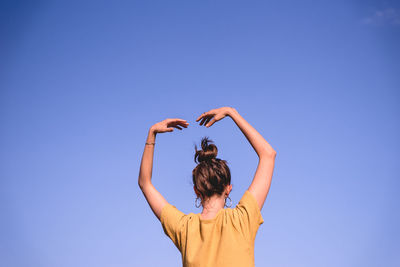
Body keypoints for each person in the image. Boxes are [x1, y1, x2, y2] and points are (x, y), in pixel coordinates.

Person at [138, 106, 277, 267]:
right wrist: (231, 112)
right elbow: (268, 154)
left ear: (196, 190)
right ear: (228, 188)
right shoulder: (242, 219)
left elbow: (145, 183)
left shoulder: (185, 228)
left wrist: (152, 133)